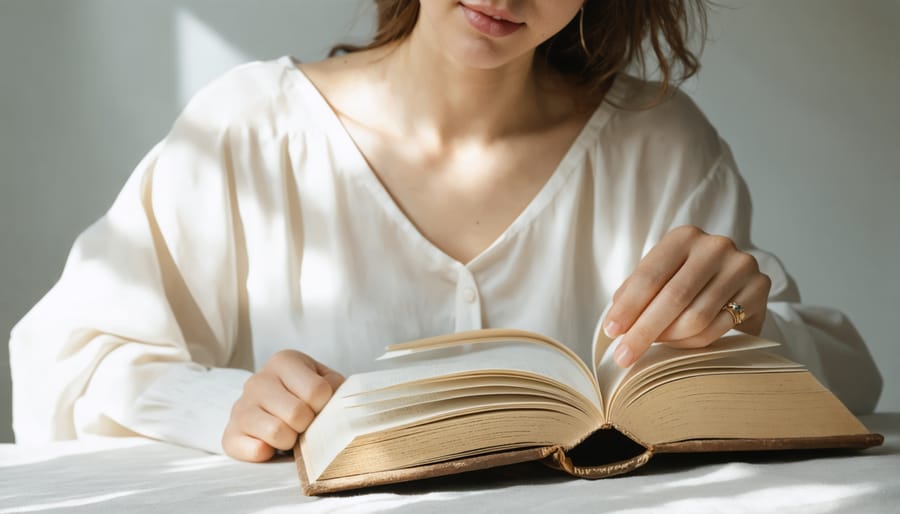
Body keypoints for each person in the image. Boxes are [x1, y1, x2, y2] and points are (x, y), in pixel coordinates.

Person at [9, 0, 881, 462]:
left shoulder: (663, 145)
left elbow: (850, 384)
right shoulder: (251, 130)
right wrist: (224, 406)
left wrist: (748, 324)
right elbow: (58, 363)